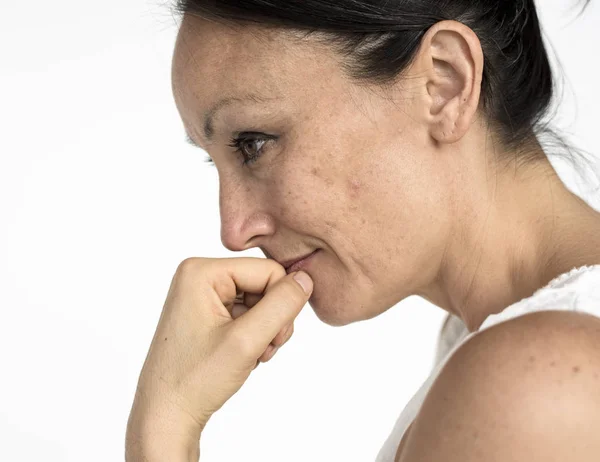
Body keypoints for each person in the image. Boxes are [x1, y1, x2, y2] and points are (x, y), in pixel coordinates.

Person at [126, 0, 600, 460]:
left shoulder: (533, 382)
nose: (234, 230)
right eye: (217, 162)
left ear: (444, 82)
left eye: (254, 144)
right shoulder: (499, 342)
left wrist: (165, 426)